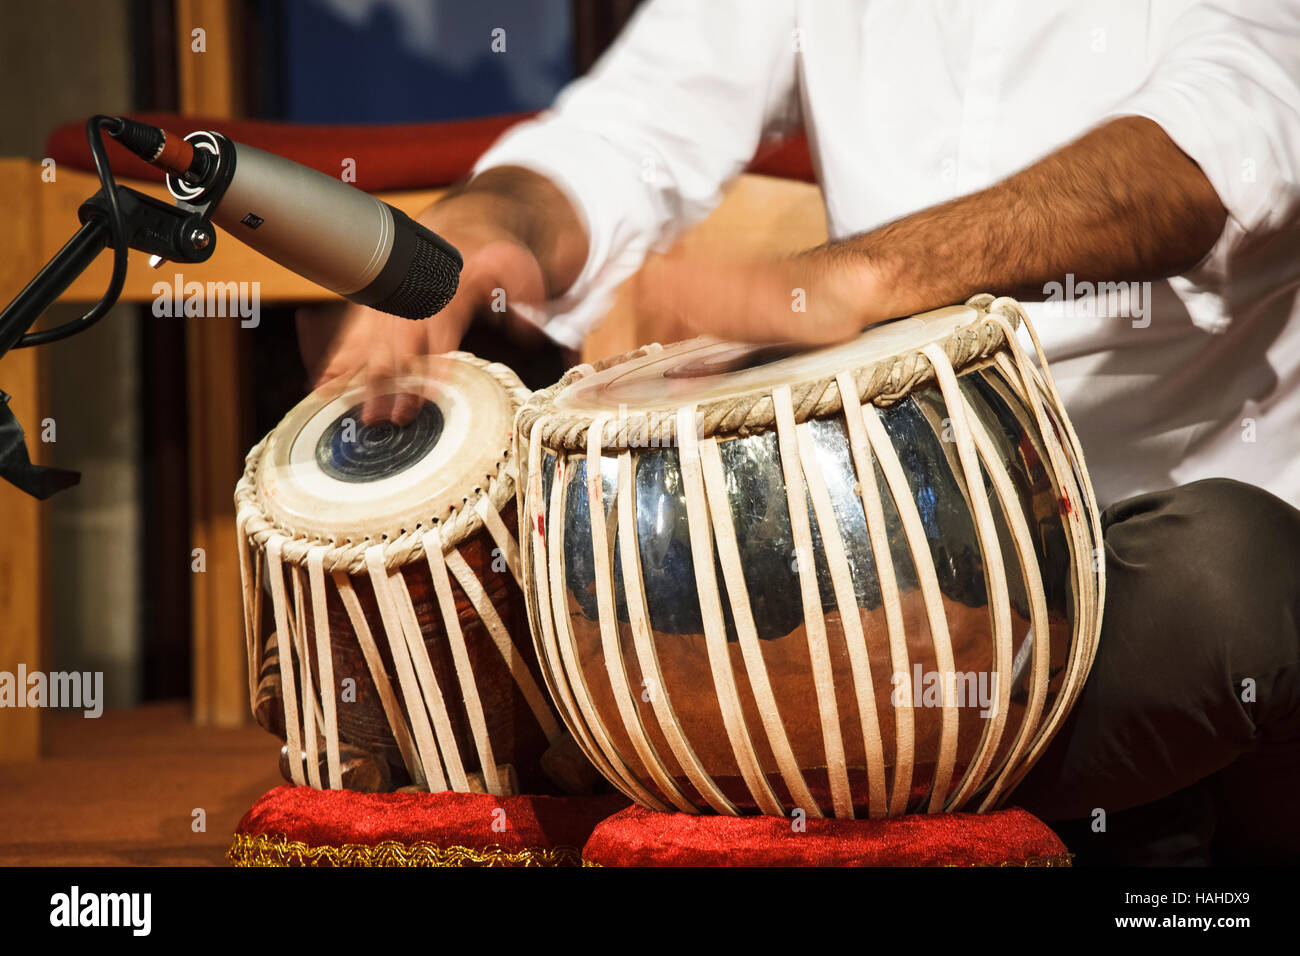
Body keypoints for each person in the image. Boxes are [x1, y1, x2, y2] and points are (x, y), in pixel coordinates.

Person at [302, 1, 1300, 864]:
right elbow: (633, 124)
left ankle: (691, 779)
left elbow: (1212, 143)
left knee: (1232, 583)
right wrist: (492, 220)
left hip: (1129, 549)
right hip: (863, 547)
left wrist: (859, 277)